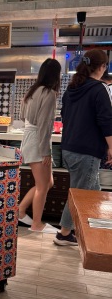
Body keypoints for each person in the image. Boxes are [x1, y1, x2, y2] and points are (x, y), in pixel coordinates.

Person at [54, 50, 112, 246]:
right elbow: (106, 121)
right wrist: (111, 147)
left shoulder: (72, 88)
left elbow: (65, 116)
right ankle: (64, 233)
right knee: (80, 194)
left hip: (69, 148)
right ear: (102, 67)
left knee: (92, 191)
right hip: (86, 151)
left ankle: (89, 229)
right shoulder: (99, 89)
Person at [18, 59, 61, 233]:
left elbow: (22, 116)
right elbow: (45, 125)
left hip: (30, 137)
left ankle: (21, 211)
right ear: (56, 75)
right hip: (38, 140)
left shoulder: (32, 90)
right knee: (43, 185)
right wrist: (46, 152)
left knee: (47, 182)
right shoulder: (49, 93)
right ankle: (36, 224)